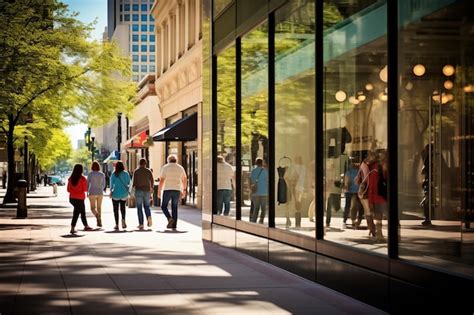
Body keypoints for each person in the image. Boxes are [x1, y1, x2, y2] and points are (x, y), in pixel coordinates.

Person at [158, 154, 187, 229]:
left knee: (163, 206)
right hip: (177, 189)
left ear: (168, 160)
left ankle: (169, 218)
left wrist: (159, 190)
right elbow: (184, 179)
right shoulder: (180, 167)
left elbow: (161, 180)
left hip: (167, 189)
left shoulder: (165, 167)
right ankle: (174, 225)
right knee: (174, 207)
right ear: (176, 160)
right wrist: (184, 189)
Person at [67, 164, 92, 234]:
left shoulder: (70, 178)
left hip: (72, 198)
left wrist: (74, 191)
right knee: (77, 213)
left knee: (81, 212)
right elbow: (85, 189)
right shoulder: (82, 179)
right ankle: (72, 228)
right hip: (80, 198)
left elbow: (68, 190)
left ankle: (85, 225)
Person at [132, 158, 154, 230]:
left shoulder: (136, 171)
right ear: (145, 164)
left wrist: (133, 189)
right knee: (147, 206)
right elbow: (152, 180)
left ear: (139, 163)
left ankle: (141, 224)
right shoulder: (148, 171)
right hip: (147, 191)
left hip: (139, 190)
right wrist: (152, 188)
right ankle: (149, 216)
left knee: (139, 208)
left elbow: (134, 182)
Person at [110, 161, 131, 231]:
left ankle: (116, 224)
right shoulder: (126, 173)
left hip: (115, 194)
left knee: (115, 210)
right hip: (124, 194)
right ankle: (123, 220)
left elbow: (111, 184)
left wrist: (111, 191)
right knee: (123, 208)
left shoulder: (113, 174)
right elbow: (129, 183)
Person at [343, 159, 363, 229]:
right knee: (356, 207)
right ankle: (354, 220)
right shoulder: (358, 171)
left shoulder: (350, 171)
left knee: (349, 206)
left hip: (353, 191)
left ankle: (348, 220)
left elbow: (347, 181)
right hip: (355, 191)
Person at [250, 158, 268, 224]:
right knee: (263, 208)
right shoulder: (265, 171)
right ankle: (261, 219)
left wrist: (250, 189)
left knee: (256, 208)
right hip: (264, 192)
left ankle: (254, 220)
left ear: (256, 163)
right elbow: (267, 181)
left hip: (255, 192)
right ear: (262, 163)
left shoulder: (253, 171)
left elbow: (250, 180)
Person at [87, 161, 106, 227]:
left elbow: (87, 184)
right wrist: (101, 188)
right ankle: (99, 221)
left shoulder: (90, 174)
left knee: (92, 208)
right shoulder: (102, 174)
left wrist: (87, 191)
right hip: (100, 192)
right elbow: (104, 185)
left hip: (92, 192)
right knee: (99, 208)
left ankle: (97, 216)